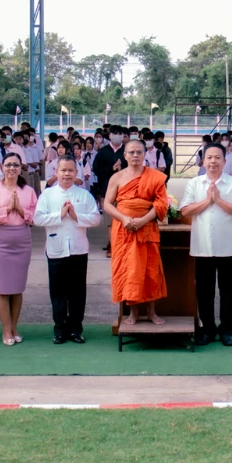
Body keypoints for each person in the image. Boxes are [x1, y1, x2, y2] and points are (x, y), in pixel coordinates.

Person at [180, 143, 232, 346]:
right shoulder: (194, 183)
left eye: (217, 157)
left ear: (224, 161)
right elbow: (185, 211)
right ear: (203, 160)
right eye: (209, 157)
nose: (213, 161)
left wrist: (218, 200)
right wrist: (208, 201)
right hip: (201, 247)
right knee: (204, 291)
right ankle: (208, 329)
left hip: (226, 246)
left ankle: (227, 330)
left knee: (227, 291)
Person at [33, 155, 102, 344]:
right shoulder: (47, 195)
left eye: (70, 170)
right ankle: (60, 329)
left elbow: (96, 219)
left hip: (78, 251)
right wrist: (60, 215)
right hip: (56, 250)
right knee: (58, 292)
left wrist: (75, 215)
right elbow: (37, 219)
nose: (66, 174)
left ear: (76, 172)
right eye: (63, 170)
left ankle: (76, 329)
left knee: (78, 292)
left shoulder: (84, 195)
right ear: (56, 172)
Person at [104, 139, 168, 325]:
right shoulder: (117, 177)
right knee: (130, 270)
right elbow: (107, 204)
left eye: (139, 152)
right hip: (124, 230)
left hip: (146, 227)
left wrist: (142, 221)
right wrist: (124, 219)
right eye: (131, 152)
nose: (135, 156)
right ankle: (133, 313)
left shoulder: (155, 176)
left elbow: (161, 204)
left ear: (145, 154)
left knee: (150, 271)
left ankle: (151, 312)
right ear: (124, 155)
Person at [0, 152, 38, 345]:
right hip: (0, 240)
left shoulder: (28, 191)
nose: (11, 168)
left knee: (17, 288)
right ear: (2, 167)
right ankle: (6, 330)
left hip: (22, 239)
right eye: (8, 165)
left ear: (20, 167)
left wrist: (20, 210)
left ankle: (14, 327)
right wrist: (6, 209)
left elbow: (35, 217)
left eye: (15, 165)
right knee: (3, 288)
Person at [93, 126, 126, 257]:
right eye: (115, 133)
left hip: (124, 191)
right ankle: (113, 246)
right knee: (109, 221)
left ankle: (123, 246)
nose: (117, 136)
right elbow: (96, 170)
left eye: (120, 134)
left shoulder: (127, 151)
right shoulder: (103, 152)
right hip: (106, 190)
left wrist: (121, 168)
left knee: (123, 219)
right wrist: (111, 169)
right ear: (110, 136)